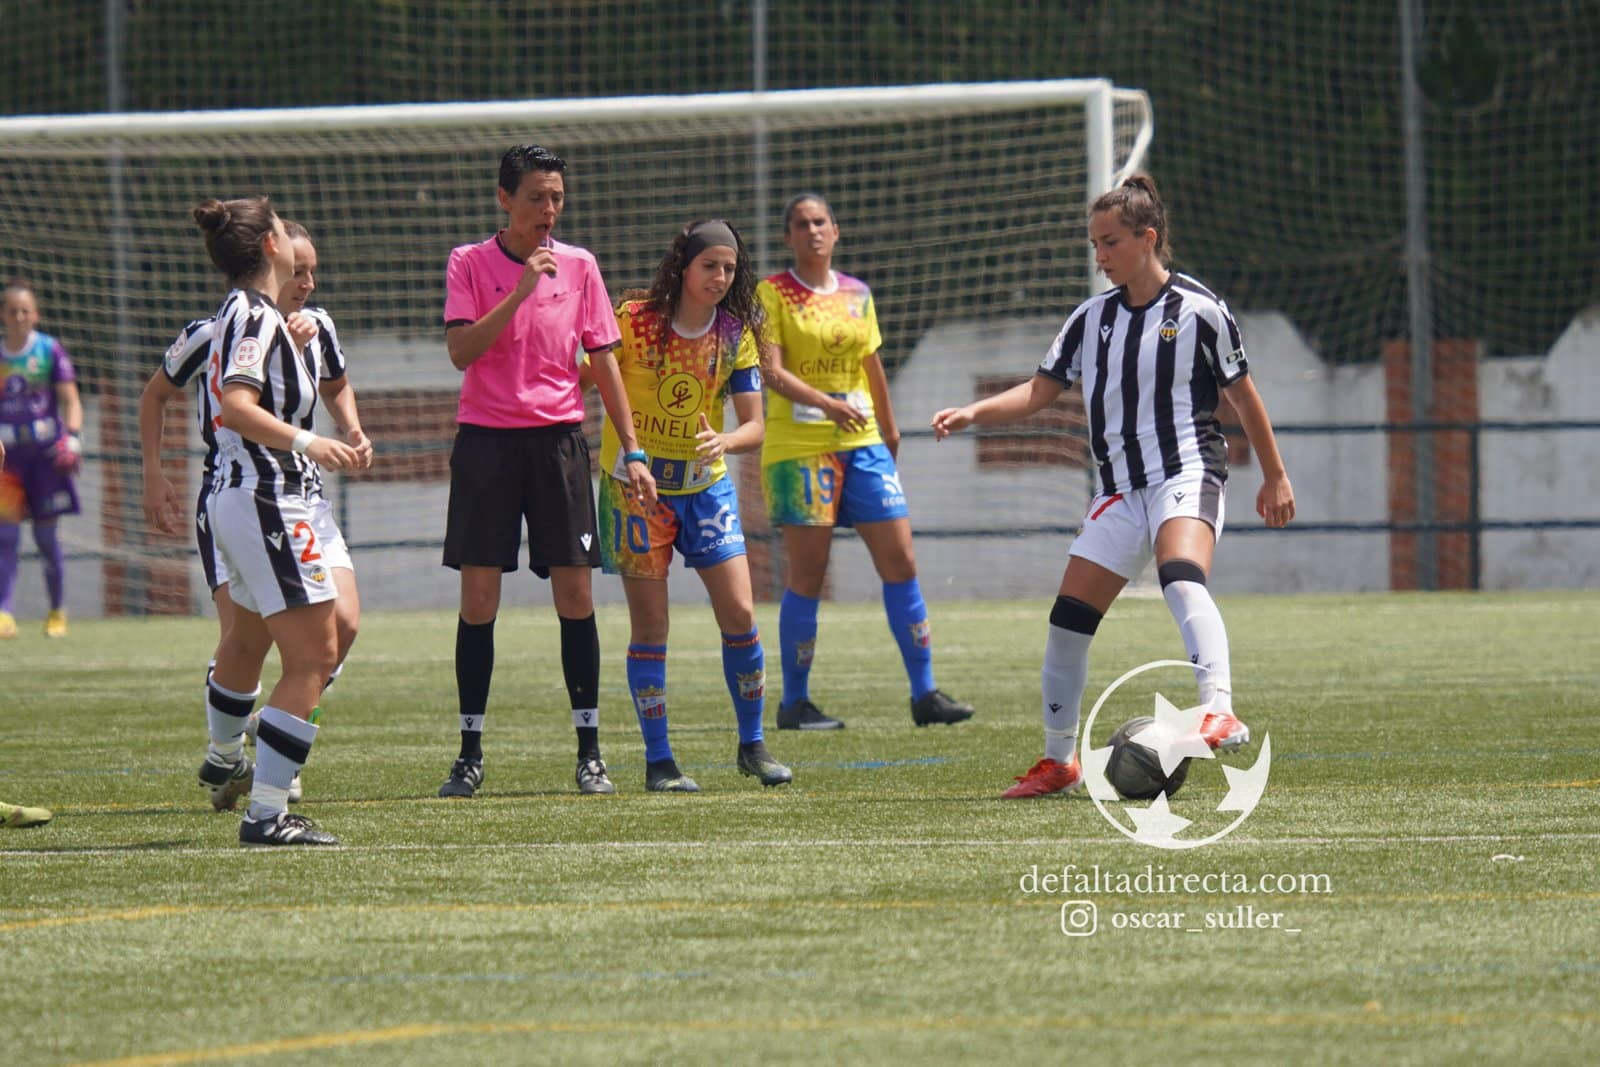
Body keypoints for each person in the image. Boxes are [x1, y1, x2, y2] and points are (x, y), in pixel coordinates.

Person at [930, 174, 1296, 798]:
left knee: (1181, 575)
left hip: (1187, 471)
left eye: (1110, 242)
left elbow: (1244, 396)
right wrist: (974, 412)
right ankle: (1059, 763)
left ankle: (1219, 707)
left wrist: (1276, 474)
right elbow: (1040, 390)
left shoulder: (1201, 310)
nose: (1099, 256)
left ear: (1147, 238)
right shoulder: (1090, 319)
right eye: (1094, 243)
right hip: (1119, 492)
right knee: (1068, 621)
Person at [437, 143, 654, 799]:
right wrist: (522, 289)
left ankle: (590, 751)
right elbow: (461, 350)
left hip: (559, 445)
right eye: (536, 197)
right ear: (505, 198)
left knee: (577, 596)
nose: (549, 210)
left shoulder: (583, 267)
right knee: (479, 601)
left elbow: (605, 361)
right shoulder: (469, 263)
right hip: (486, 445)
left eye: (557, 197)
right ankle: (469, 752)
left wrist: (635, 450)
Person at [139, 220, 371, 809]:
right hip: (246, 494)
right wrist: (154, 473)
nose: (308, 282)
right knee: (248, 640)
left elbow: (336, 383)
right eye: (300, 269)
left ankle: (272, 739)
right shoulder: (229, 324)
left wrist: (351, 429)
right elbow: (168, 397)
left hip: (302, 496)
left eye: (314, 270)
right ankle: (233, 762)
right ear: (274, 256)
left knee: (338, 629)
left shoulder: (315, 327)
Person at [757, 193, 973, 731]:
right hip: (801, 448)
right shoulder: (771, 293)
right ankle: (795, 705)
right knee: (808, 574)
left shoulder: (857, 294)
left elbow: (870, 364)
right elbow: (772, 372)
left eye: (820, 222)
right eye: (801, 224)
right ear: (788, 237)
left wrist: (891, 428)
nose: (812, 231)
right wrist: (828, 404)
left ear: (836, 231)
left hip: (864, 444)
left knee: (901, 562)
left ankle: (925, 695)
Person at [192, 194, 364, 844]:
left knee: (306, 639)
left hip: (258, 498)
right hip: (266, 496)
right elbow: (235, 406)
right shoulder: (254, 314)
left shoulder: (260, 315)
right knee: (312, 655)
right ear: (271, 245)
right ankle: (266, 811)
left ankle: (251, 773)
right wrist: (309, 442)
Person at [600, 219, 792, 792]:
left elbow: (755, 425)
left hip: (706, 488)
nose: (720, 276)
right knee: (651, 627)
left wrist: (725, 441)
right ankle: (660, 761)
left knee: (740, 614)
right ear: (683, 265)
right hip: (635, 492)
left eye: (729, 268)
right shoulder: (633, 322)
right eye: (710, 265)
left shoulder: (736, 333)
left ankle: (753, 745)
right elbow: (587, 376)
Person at [0, 279, 84, 640]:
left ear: (35, 314)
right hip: (8, 462)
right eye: (12, 311)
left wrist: (74, 438)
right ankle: (3, 612)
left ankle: (56, 611)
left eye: (25, 311)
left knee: (47, 538)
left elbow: (70, 399)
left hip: (45, 458)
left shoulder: (49, 351)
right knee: (5, 536)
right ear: (3, 315)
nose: (19, 317)